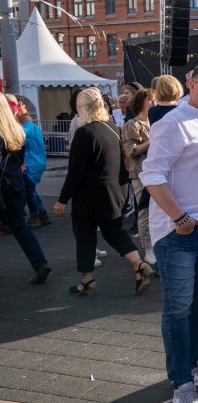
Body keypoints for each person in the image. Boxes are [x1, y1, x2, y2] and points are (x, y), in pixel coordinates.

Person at [140, 63, 198, 403]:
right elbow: (152, 176)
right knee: (177, 309)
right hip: (179, 233)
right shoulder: (172, 123)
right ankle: (181, 383)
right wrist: (180, 218)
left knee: (195, 305)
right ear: (190, 84)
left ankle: (194, 365)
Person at [53, 88, 152, 296]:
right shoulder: (111, 127)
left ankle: (87, 280)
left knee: (85, 235)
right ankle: (139, 264)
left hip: (90, 195)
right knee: (114, 231)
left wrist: (62, 200)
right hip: (116, 190)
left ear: (81, 108)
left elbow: (75, 172)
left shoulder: (84, 132)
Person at [0, 95, 52, 284]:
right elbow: (20, 159)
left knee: (17, 225)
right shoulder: (17, 131)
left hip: (4, 186)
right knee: (20, 226)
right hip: (15, 184)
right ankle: (40, 263)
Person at [122, 88, 156, 266]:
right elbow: (131, 151)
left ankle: (156, 246)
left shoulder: (157, 122)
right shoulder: (133, 124)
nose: (154, 102)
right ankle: (148, 249)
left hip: (157, 174)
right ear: (142, 102)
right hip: (140, 175)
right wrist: (152, 141)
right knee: (144, 213)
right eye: (151, 100)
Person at [14, 104, 49, 228]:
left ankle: (35, 216)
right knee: (32, 190)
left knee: (29, 192)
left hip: (28, 163)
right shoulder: (35, 127)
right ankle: (42, 213)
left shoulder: (22, 130)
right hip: (38, 162)